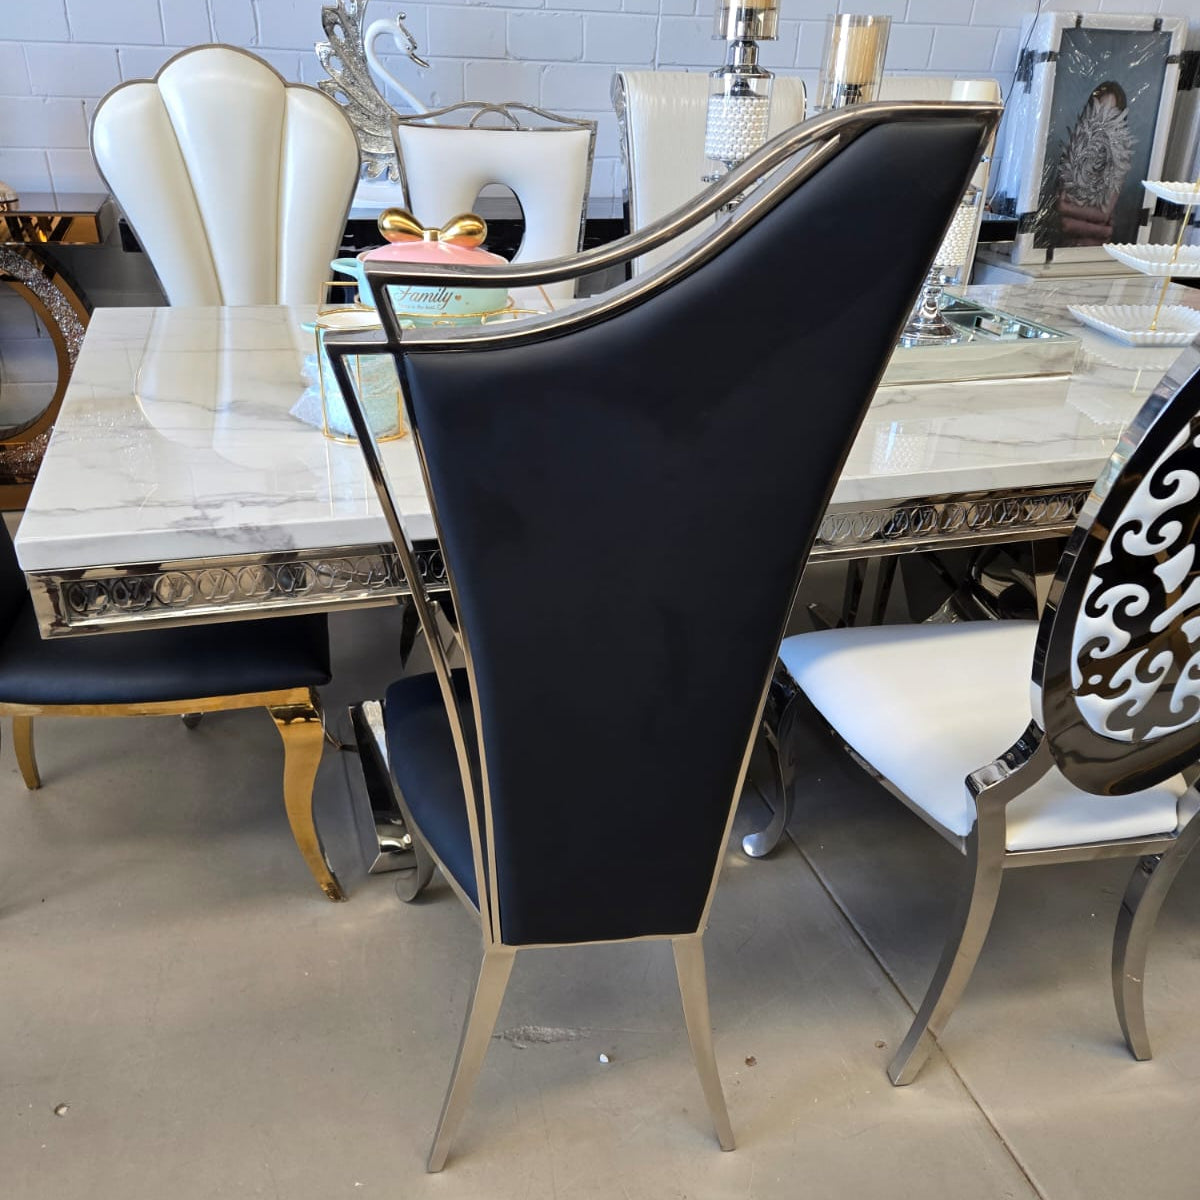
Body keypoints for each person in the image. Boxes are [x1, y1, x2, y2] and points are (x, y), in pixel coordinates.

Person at [1051, 81, 1135, 246]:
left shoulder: (1120, 159)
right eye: (1100, 111)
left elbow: (1103, 215)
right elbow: (1061, 208)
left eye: (1111, 114)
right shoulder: (1073, 150)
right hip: (1066, 245)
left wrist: (1074, 214)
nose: (1104, 120)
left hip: (1092, 247)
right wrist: (1102, 229)